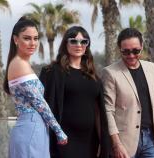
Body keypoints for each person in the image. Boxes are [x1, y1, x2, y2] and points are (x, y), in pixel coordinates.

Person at [39, 26, 110, 158]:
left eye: (84, 42)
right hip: (63, 140)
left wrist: (103, 142)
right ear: (66, 43)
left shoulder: (93, 75)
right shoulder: (52, 72)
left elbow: (98, 112)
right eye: (74, 41)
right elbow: (43, 106)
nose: (79, 45)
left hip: (90, 141)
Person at [101, 28, 154, 158]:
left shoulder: (152, 68)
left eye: (136, 51)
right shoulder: (110, 73)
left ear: (142, 47)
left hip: (151, 139)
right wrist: (116, 144)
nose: (131, 55)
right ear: (119, 49)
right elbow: (108, 111)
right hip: (124, 142)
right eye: (126, 52)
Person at [3, 17, 67, 158]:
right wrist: (58, 130)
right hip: (31, 128)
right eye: (27, 38)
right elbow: (40, 103)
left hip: (31, 127)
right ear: (16, 39)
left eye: (36, 38)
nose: (33, 43)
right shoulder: (19, 64)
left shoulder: (20, 63)